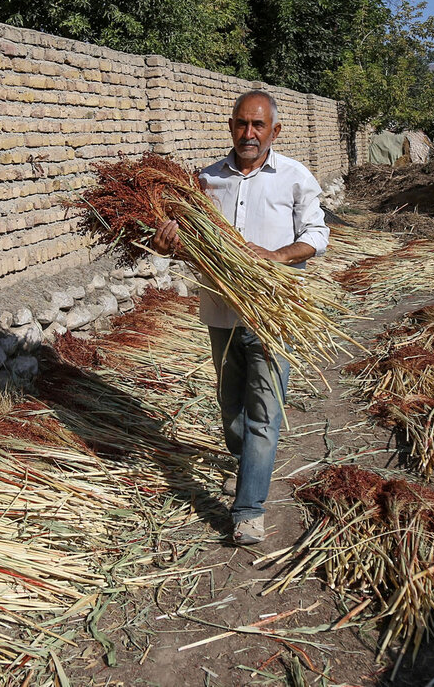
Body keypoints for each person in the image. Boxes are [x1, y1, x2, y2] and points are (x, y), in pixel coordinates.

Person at [151, 90, 329, 545]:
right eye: (241, 124)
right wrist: (165, 242)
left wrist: (274, 257)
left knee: (263, 414)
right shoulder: (205, 181)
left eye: (258, 126)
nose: (249, 134)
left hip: (273, 316)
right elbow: (177, 242)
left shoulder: (294, 177)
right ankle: (246, 462)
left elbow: (316, 234)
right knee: (231, 409)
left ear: (275, 131)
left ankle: (249, 509)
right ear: (230, 125)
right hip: (220, 312)